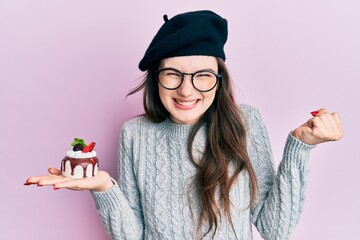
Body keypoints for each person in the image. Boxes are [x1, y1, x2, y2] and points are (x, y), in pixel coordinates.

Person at [25, 10, 343, 240]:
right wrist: (105, 189)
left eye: (202, 75)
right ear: (156, 78)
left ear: (218, 82)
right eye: (173, 74)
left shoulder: (246, 122)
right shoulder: (134, 134)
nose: (186, 91)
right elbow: (132, 237)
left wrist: (301, 148)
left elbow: (275, 231)